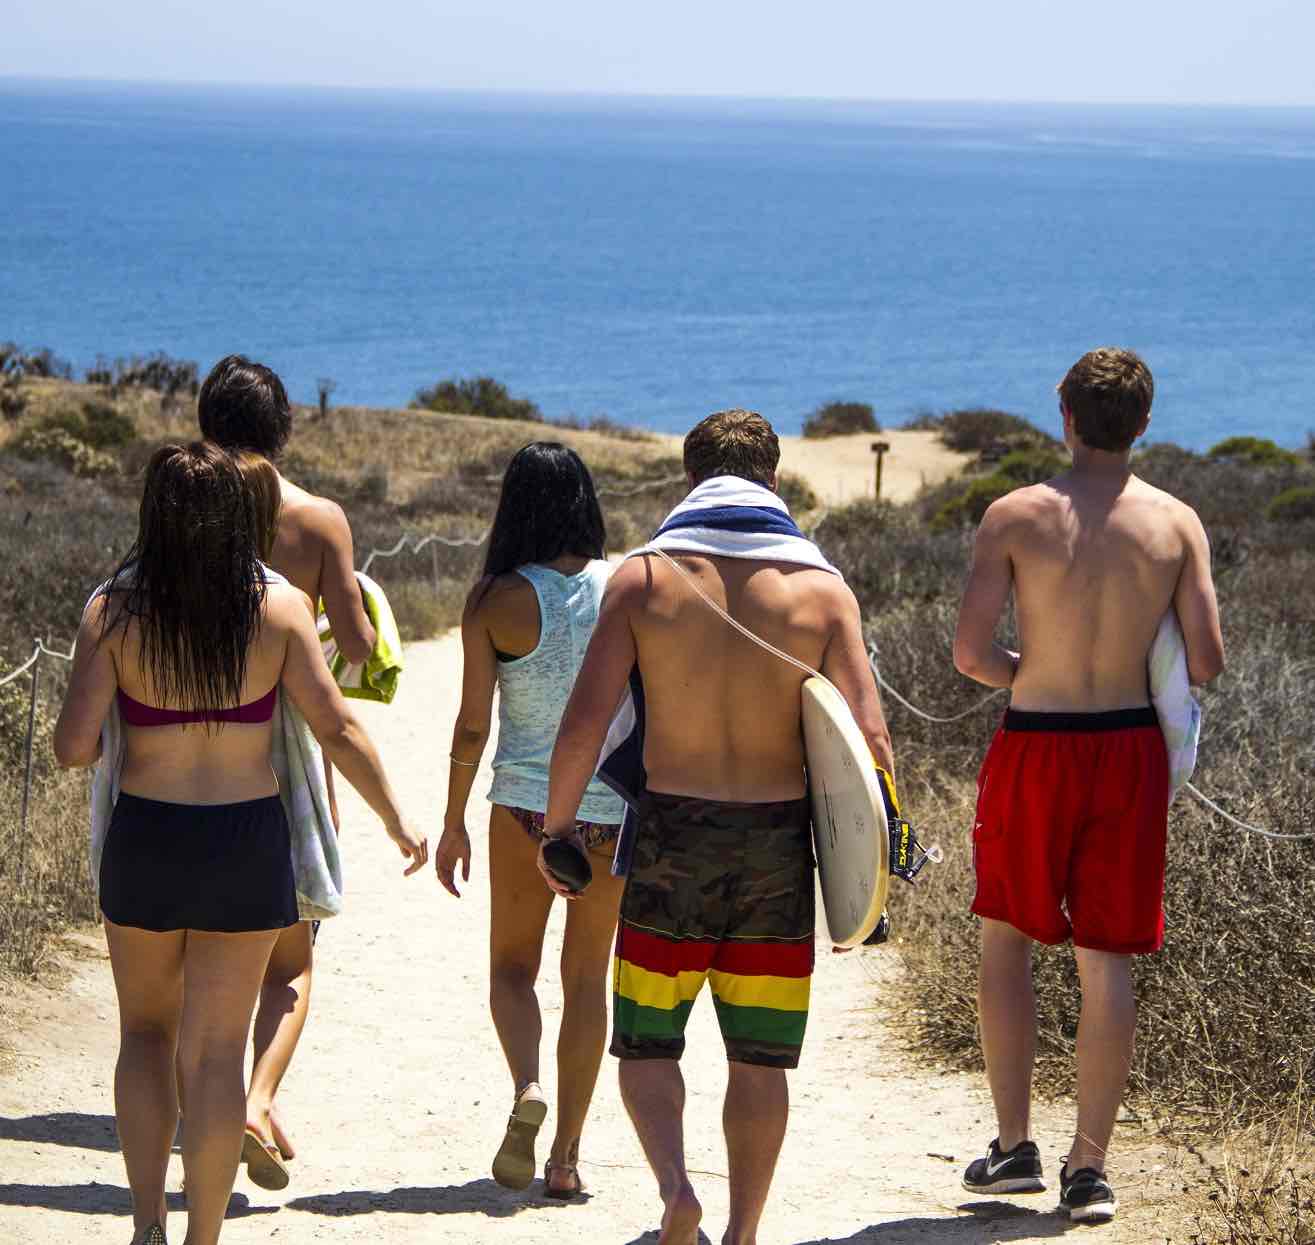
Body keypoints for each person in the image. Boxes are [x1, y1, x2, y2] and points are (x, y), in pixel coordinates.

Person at [53, 442, 426, 1245]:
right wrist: (397, 817)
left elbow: (73, 747)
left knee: (144, 1036)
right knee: (218, 1054)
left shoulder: (112, 611)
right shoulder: (281, 609)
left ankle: (147, 1221)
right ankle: (203, 1238)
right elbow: (337, 724)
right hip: (245, 841)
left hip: (148, 837)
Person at [538, 410, 894, 1245]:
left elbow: (583, 726)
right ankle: (742, 1232)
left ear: (689, 478)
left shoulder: (645, 580)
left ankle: (675, 1193)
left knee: (648, 1042)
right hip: (776, 846)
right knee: (760, 1057)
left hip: (672, 838)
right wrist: (877, 871)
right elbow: (869, 739)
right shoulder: (822, 590)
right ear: (772, 477)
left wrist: (557, 829)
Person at [952, 348, 1224, 1222]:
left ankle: (1012, 1146)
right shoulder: (1176, 523)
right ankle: (1089, 1167)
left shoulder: (1014, 515)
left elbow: (969, 654)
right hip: (1127, 748)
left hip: (1038, 739)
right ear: (1144, 421)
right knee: (1106, 955)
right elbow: (1206, 659)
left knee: (1006, 935)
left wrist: (1030, 671)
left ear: (1061, 414)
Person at [197, 354, 375, 1180]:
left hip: (186, 732)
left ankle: (205, 1095)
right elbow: (359, 655)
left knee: (199, 944)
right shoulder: (317, 519)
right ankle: (256, 1098)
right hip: (287, 747)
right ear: (283, 427)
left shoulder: (180, 504)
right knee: (292, 959)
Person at [435, 442, 627, 1198]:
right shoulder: (629, 589)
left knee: (511, 971)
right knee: (585, 980)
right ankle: (567, 1157)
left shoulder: (495, 599)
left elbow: (470, 728)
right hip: (609, 815)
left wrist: (451, 821)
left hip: (521, 808)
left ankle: (525, 1088)